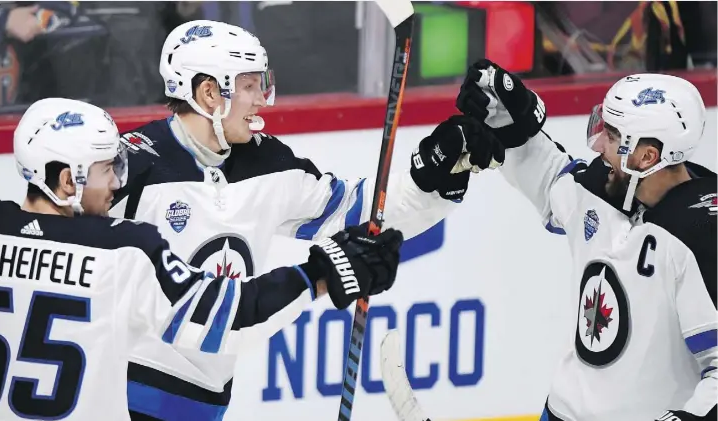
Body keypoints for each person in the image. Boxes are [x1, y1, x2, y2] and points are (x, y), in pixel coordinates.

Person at [108, 19, 505, 421]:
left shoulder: (269, 163)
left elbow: (365, 212)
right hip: (117, 397)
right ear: (209, 92)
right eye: (247, 85)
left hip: (206, 403)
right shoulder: (131, 166)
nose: (260, 98)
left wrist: (435, 172)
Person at [0, 97, 405, 420]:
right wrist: (319, 275)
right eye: (108, 169)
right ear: (68, 180)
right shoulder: (121, 250)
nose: (117, 182)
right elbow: (227, 317)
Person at [455, 60, 716, 421]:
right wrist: (505, 121)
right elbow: (551, 182)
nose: (599, 147)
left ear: (647, 156)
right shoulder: (608, 187)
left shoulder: (703, 236)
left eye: (612, 136)